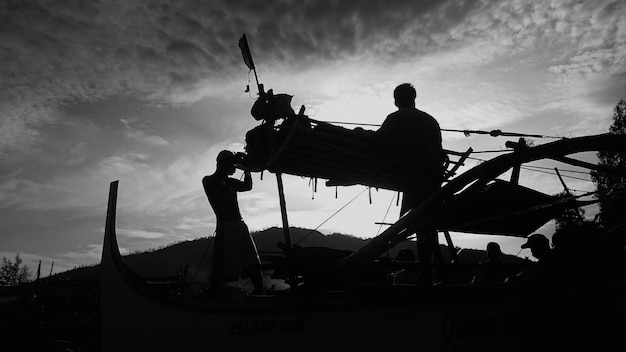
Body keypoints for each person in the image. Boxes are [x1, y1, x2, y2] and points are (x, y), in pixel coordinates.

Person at [376, 83, 445, 285]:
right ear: (414, 98)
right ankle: (436, 274)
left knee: (420, 225)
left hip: (416, 176)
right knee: (429, 227)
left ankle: (427, 275)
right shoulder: (431, 120)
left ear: (396, 100)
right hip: (435, 177)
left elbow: (377, 141)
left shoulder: (397, 117)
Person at [203, 150, 264, 297]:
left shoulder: (230, 182)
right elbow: (220, 173)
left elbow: (247, 186)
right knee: (222, 266)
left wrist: (247, 169)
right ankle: (214, 295)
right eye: (231, 165)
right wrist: (233, 159)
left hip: (240, 224)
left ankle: (261, 292)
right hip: (226, 226)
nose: (234, 169)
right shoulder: (209, 181)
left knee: (252, 261)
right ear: (222, 163)